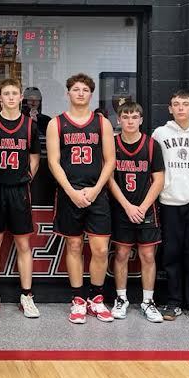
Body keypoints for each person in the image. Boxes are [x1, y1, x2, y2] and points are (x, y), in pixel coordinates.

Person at [46, 73, 116, 324]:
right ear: (68, 93)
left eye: (85, 90)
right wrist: (71, 191)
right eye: (75, 89)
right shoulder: (56, 123)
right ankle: (77, 300)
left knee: (99, 248)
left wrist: (96, 189)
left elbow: (110, 161)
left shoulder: (102, 123)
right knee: (74, 246)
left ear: (91, 94)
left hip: (96, 193)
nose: (80, 93)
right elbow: (53, 162)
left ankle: (96, 299)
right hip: (70, 193)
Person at [151, 90, 189, 324]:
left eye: (185, 104)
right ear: (170, 109)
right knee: (171, 255)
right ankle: (174, 301)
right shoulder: (159, 133)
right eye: (176, 104)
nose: (180, 108)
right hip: (169, 201)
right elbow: (155, 168)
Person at [0, 78, 41, 318]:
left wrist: (27, 176)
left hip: (19, 190)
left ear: (20, 98)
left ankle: (26, 296)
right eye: (5, 93)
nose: (9, 97)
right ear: (0, 98)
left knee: (23, 244)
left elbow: (35, 156)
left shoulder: (29, 126)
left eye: (14, 93)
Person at [108, 102, 165, 323]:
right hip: (123, 208)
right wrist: (127, 206)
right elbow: (109, 178)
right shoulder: (112, 145)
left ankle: (148, 301)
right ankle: (121, 299)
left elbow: (159, 180)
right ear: (119, 120)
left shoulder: (152, 145)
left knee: (148, 255)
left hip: (146, 209)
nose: (130, 121)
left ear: (141, 120)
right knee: (121, 254)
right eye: (126, 117)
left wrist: (141, 207)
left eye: (134, 117)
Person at [23, 87, 51, 153]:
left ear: (40, 102)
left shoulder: (47, 119)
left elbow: (49, 137)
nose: (33, 102)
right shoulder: (20, 118)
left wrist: (37, 121)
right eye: (30, 99)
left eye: (37, 99)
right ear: (25, 101)